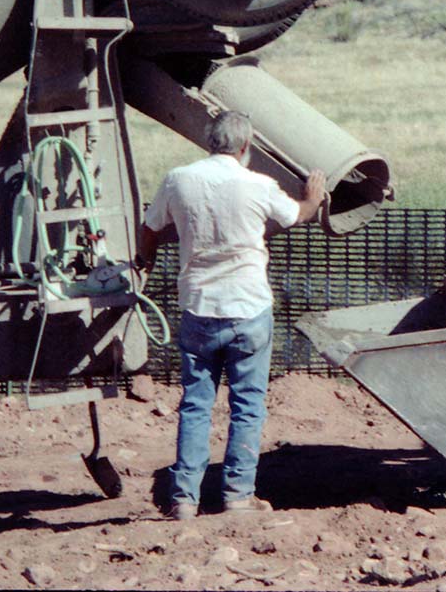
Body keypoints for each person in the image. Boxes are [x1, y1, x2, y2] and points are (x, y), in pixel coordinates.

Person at [139, 110, 326, 520]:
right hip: (249, 309)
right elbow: (299, 215)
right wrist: (313, 195)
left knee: (195, 404)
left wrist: (144, 263)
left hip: (198, 308)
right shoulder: (258, 184)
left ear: (210, 141)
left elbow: (150, 227)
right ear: (246, 147)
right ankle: (237, 496)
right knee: (247, 405)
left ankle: (184, 499)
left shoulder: (179, 179)